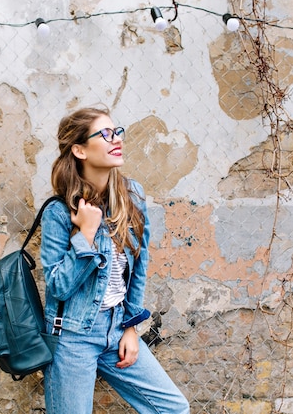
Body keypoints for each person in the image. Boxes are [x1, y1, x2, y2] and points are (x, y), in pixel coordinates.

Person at [40, 107, 190, 414]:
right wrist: (86, 235)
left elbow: (140, 264)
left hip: (117, 327)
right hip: (72, 336)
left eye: (116, 131)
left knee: (173, 408)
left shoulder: (132, 195)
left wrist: (131, 328)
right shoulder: (58, 211)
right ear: (79, 149)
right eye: (104, 134)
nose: (115, 139)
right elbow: (58, 285)